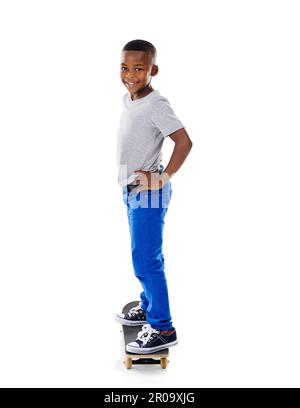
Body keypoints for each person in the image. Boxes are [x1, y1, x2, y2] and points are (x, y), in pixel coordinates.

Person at [115, 39, 193, 354]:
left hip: (148, 193)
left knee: (145, 260)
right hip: (132, 188)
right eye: (124, 67)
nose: (130, 75)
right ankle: (149, 305)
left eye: (139, 68)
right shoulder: (130, 98)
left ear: (153, 70)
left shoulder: (156, 104)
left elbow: (185, 142)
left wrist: (162, 177)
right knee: (148, 255)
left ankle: (163, 327)